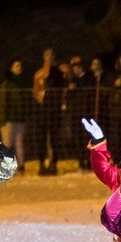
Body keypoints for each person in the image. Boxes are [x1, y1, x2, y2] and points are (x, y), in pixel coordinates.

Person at [32, 47, 67, 176]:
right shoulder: (39, 73)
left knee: (54, 138)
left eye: (51, 55)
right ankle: (41, 164)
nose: (49, 57)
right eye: (47, 55)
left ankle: (54, 164)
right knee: (41, 138)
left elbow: (65, 84)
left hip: (55, 110)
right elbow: (35, 91)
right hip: (42, 110)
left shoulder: (60, 71)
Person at [0, 57, 29, 174]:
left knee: (19, 142)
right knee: (7, 143)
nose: (19, 68)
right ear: (11, 68)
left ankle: (21, 166)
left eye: (20, 66)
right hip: (9, 118)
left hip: (20, 118)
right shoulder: (7, 84)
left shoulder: (22, 83)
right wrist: (3, 119)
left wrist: (25, 114)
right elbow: (3, 102)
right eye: (16, 66)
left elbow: (25, 101)